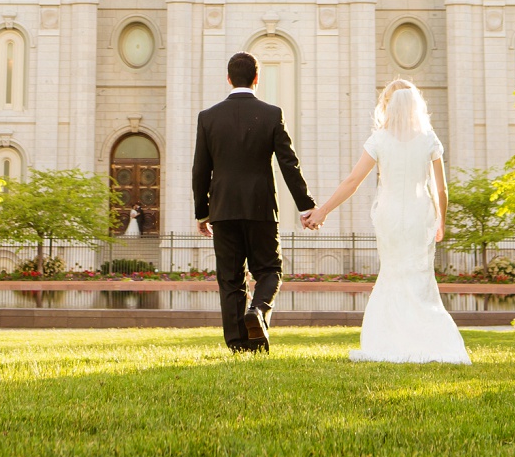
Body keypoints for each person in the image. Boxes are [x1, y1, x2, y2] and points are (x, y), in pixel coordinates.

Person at [303, 78, 471, 364]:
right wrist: (441, 221)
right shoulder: (429, 138)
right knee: (419, 277)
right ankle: (431, 341)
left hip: (390, 216)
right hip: (421, 215)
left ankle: (389, 341)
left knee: (393, 274)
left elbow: (353, 181)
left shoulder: (379, 139)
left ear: (387, 105)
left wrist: (323, 211)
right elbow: (441, 189)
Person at [192, 50, 315, 353]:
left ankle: (238, 344)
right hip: (261, 207)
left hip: (222, 210)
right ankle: (258, 310)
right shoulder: (272, 114)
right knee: (269, 270)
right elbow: (289, 163)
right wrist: (306, 204)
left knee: (230, 279)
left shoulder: (208, 118)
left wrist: (202, 212)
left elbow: (200, 169)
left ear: (229, 78)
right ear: (257, 79)